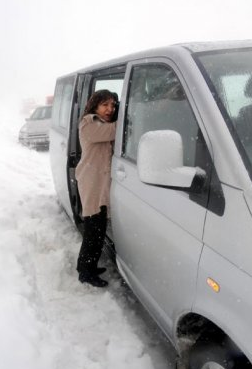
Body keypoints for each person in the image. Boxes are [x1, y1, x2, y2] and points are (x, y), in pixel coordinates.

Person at [75, 89, 118, 287]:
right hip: (91, 181)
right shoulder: (88, 123)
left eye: (113, 105)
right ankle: (85, 272)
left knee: (98, 229)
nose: (110, 109)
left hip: (98, 181)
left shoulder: (104, 123)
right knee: (93, 229)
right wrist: (133, 116)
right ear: (95, 106)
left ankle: (88, 265)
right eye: (105, 105)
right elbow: (114, 131)